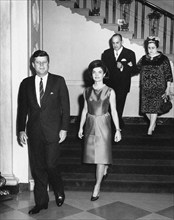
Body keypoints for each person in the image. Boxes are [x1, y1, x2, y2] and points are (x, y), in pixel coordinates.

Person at [17, 50, 70, 214]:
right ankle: (41, 202)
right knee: (37, 167)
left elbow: (66, 107)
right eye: (38, 62)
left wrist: (64, 128)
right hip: (34, 132)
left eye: (44, 62)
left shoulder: (58, 81)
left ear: (48, 63)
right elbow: (22, 109)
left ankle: (59, 190)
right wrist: (20, 129)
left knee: (51, 165)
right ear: (33, 65)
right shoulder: (25, 83)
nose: (41, 65)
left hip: (53, 131)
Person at [78, 60, 121, 201]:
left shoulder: (110, 91)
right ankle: (105, 165)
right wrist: (80, 127)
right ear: (91, 74)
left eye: (100, 72)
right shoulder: (87, 91)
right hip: (90, 123)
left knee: (100, 159)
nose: (97, 75)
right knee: (94, 156)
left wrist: (118, 130)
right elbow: (84, 110)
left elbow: (114, 111)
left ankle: (97, 186)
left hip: (104, 124)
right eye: (94, 72)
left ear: (104, 74)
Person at [136, 36, 173, 135]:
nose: (151, 50)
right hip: (145, 88)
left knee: (154, 109)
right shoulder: (144, 58)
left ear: (157, 47)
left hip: (158, 88)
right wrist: (126, 67)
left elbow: (168, 74)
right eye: (149, 48)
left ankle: (150, 128)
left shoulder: (163, 59)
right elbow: (136, 69)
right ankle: (153, 123)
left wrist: (167, 89)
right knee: (146, 110)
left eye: (153, 48)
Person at [101, 33, 136, 129]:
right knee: (108, 107)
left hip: (122, 85)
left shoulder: (130, 53)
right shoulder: (106, 53)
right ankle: (111, 126)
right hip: (109, 85)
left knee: (119, 107)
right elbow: (104, 69)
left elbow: (134, 70)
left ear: (122, 42)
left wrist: (123, 67)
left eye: (117, 43)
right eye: (113, 43)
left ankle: (117, 126)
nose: (115, 45)